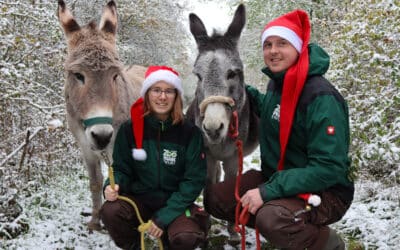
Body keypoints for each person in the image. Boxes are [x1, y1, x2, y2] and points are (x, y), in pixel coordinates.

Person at [204, 9, 354, 250]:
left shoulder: (321, 97)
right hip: (280, 177)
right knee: (216, 198)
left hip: (326, 191)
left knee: (272, 219)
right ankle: (289, 222)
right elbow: (275, 113)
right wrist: (242, 91)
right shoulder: (280, 83)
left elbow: (329, 168)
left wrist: (267, 192)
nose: (273, 51)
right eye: (268, 44)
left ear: (298, 47)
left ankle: (325, 241)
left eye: (282, 43)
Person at [100, 65, 210, 250]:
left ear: (176, 96)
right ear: (147, 94)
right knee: (111, 211)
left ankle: (174, 236)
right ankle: (134, 245)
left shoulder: (190, 133)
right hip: (140, 200)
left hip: (176, 204)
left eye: (169, 91)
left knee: (186, 237)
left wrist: (164, 218)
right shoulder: (129, 130)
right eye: (156, 90)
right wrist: (111, 185)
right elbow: (121, 169)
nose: (162, 96)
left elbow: (193, 180)